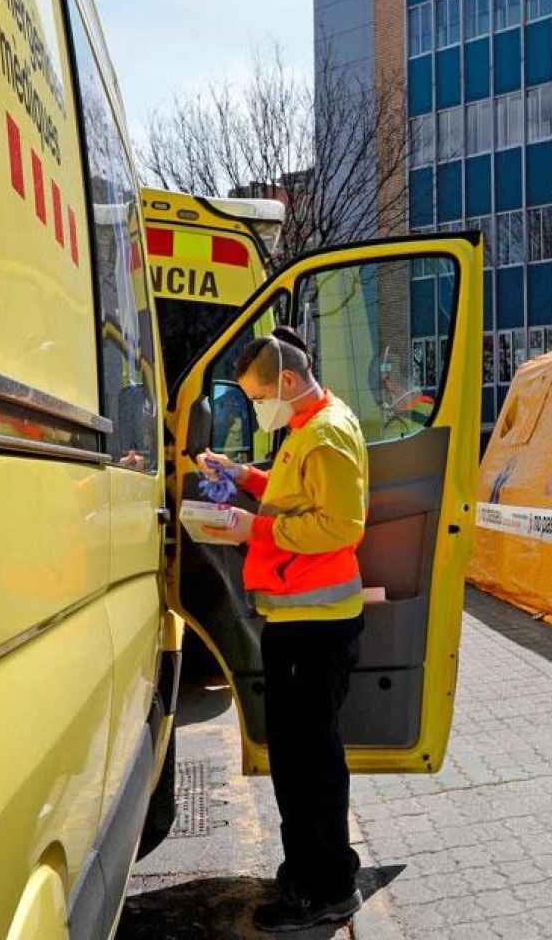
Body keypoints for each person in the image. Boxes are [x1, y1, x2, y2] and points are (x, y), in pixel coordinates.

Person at [196, 326, 370, 932]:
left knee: (309, 764)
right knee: (299, 759)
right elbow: (293, 494)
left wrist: (253, 531)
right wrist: (242, 476)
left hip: (315, 625)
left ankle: (328, 889)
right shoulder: (306, 427)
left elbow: (341, 527)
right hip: (298, 619)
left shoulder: (324, 436)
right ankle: (309, 872)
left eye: (258, 396)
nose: (256, 407)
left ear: (289, 383)